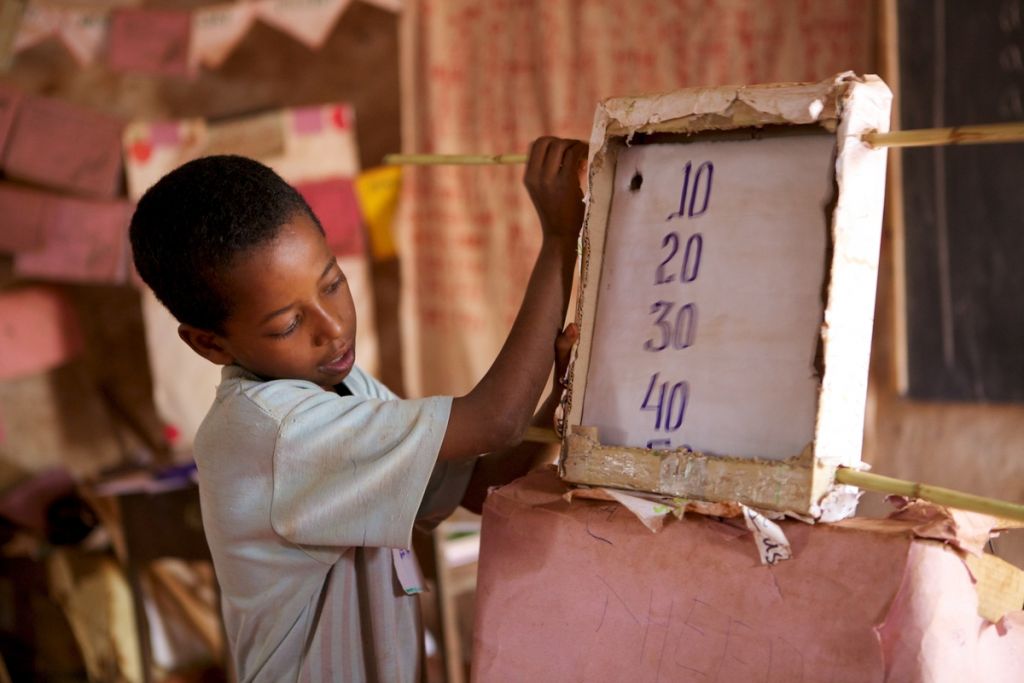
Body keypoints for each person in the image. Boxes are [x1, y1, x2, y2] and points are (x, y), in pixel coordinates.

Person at [128, 137, 587, 682]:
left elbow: (474, 487)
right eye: (288, 325)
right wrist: (561, 237)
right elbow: (494, 419)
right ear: (210, 345)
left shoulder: (336, 388)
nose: (334, 327)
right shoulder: (277, 431)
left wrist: (559, 402)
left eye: (333, 284)